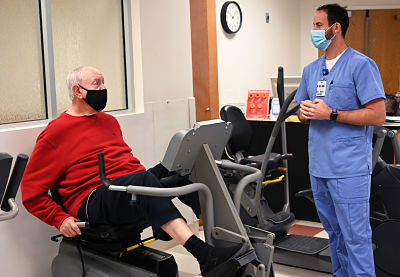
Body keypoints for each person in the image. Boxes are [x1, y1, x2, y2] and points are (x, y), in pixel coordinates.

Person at [21, 66, 241, 276]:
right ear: (77, 91)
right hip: (93, 197)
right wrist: (59, 219)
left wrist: (155, 180)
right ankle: (205, 256)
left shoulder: (109, 122)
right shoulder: (55, 133)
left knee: (182, 169)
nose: (103, 88)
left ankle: (228, 240)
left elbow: (124, 164)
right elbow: (31, 193)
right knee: (143, 180)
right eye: (96, 83)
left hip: (125, 186)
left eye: (104, 82)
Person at [294, 4, 386, 277]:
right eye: (313, 25)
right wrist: (304, 113)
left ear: (336, 28)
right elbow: (301, 114)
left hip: (348, 170)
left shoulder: (362, 65)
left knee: (355, 237)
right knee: (334, 234)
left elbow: (377, 114)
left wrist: (331, 113)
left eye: (319, 25)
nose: (314, 31)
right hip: (319, 167)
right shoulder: (311, 70)